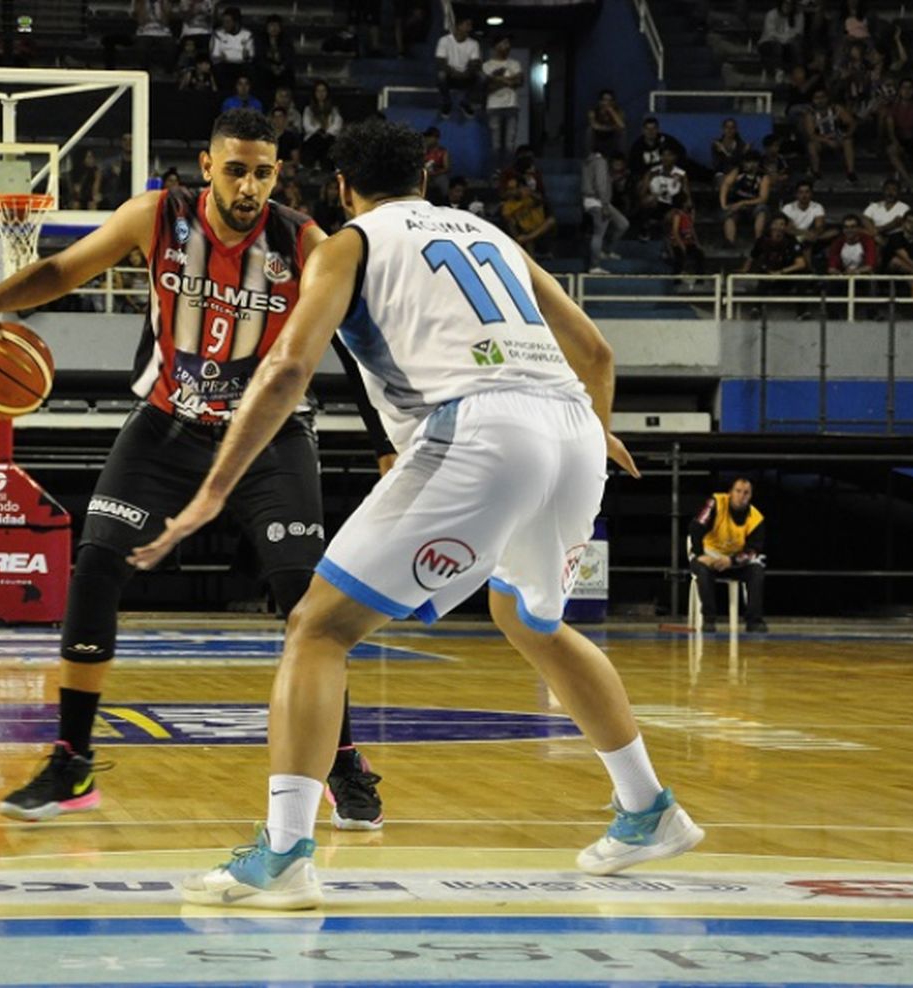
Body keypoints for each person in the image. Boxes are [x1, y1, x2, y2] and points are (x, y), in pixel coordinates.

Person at [127, 117, 703, 909]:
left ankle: (287, 851)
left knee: (316, 628)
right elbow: (597, 352)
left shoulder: (348, 243)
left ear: (342, 190)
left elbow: (291, 363)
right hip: (572, 429)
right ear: (427, 181)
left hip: (480, 428)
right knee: (530, 619)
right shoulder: (489, 233)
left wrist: (215, 490)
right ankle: (647, 806)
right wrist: (593, 430)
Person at [0, 109, 393, 831]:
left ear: (279, 174)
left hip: (268, 437)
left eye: (264, 172)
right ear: (207, 166)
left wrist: (385, 441)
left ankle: (340, 757)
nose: (250, 186)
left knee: (303, 595)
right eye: (236, 169)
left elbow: (354, 341)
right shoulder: (156, 216)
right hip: (165, 425)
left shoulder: (304, 241)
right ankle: (72, 761)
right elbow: (64, 269)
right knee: (94, 565)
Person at [689, 478, 767, 633]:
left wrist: (731, 561)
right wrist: (699, 554)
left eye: (746, 493)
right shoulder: (715, 503)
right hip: (708, 556)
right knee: (702, 571)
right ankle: (709, 620)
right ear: (730, 493)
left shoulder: (756, 519)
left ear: (751, 496)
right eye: (738, 491)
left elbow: (753, 551)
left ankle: (754, 621)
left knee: (757, 571)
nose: (741, 496)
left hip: (735, 561)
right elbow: (696, 526)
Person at [582, 149, 628, 272]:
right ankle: (594, 266)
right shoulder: (600, 162)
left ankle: (607, 250)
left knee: (622, 224)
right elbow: (600, 185)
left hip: (596, 200)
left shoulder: (591, 161)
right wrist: (605, 205)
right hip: (597, 201)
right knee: (599, 233)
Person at [883, 209, 913, 317]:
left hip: (912, 273)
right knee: (896, 261)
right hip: (891, 271)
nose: (912, 225)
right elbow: (904, 257)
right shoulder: (895, 237)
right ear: (903, 223)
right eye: (909, 222)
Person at [801, 87, 857, 183]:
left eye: (822, 97)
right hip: (821, 140)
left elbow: (852, 122)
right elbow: (811, 135)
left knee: (848, 141)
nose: (820, 100)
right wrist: (827, 141)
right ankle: (816, 172)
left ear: (827, 98)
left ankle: (851, 172)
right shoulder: (810, 114)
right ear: (813, 100)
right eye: (817, 98)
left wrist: (847, 134)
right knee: (811, 146)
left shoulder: (836, 109)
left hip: (837, 137)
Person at [482, 35, 523, 165]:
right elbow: (487, 87)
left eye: (508, 44)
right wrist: (508, 81)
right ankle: (496, 173)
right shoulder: (487, 65)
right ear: (496, 46)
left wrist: (497, 78)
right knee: (496, 144)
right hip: (494, 106)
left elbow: (519, 81)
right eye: (504, 43)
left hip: (512, 106)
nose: (507, 46)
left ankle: (508, 173)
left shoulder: (515, 63)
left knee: (510, 144)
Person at [719, 151, 771, 248]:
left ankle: (758, 241)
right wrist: (723, 204)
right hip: (737, 204)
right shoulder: (738, 172)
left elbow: (763, 198)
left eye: (750, 162)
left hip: (754, 206)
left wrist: (743, 203)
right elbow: (725, 185)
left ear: (757, 163)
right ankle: (730, 242)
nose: (747, 165)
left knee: (762, 210)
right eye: (746, 162)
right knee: (729, 214)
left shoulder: (763, 176)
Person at [434, 15, 481, 119]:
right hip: (450, 76)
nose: (470, 28)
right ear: (458, 26)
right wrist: (454, 73)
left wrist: (465, 73)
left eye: (470, 26)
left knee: (481, 77)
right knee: (440, 75)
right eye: (467, 25)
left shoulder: (474, 43)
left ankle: (465, 102)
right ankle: (447, 103)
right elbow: (440, 62)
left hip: (466, 76)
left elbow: (475, 64)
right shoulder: (444, 40)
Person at [499, 172, 555, 256]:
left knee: (551, 221)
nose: (511, 192)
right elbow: (510, 222)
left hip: (542, 231)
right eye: (509, 189)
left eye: (513, 188)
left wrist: (530, 193)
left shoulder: (532, 197)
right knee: (525, 238)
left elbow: (543, 201)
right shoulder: (507, 206)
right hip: (526, 233)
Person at [742, 215, 809, 280]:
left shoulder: (791, 241)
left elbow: (801, 264)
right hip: (767, 274)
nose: (778, 227)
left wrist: (781, 272)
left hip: (786, 276)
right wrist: (745, 269)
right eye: (775, 224)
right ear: (770, 226)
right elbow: (752, 256)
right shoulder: (762, 240)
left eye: (781, 224)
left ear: (785, 227)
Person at [301, 80, 343, 171]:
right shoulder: (308, 109)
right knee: (317, 141)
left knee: (328, 144)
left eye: (323, 91)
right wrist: (319, 131)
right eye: (318, 91)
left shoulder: (334, 109)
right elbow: (306, 125)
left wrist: (327, 132)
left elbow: (337, 124)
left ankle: (327, 169)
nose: (321, 94)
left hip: (329, 137)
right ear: (314, 93)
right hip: (313, 137)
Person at [209, 6, 252, 91]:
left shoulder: (247, 34)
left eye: (228, 22)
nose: (224, 24)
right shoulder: (218, 33)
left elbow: (250, 56)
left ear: (236, 22)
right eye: (223, 22)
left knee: (250, 69)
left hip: (241, 65)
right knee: (218, 69)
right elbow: (214, 56)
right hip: (224, 65)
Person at [758, 0, 805, 78]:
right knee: (777, 47)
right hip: (769, 42)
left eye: (790, 4)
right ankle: (778, 72)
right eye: (786, 3)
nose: (788, 6)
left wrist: (787, 40)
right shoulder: (771, 14)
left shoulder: (798, 15)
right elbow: (771, 34)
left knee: (796, 47)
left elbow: (798, 32)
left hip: (789, 42)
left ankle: (798, 73)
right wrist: (784, 39)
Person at [253, 14, 294, 94]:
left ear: (280, 28)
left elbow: (290, 57)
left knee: (288, 73)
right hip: (266, 70)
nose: (274, 28)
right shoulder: (260, 39)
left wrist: (282, 67)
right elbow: (259, 58)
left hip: (282, 70)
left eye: (276, 26)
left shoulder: (286, 39)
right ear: (267, 27)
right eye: (271, 26)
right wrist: (271, 67)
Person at [667, 195, 704, 277]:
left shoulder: (687, 215)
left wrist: (697, 243)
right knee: (679, 259)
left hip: (689, 243)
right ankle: (676, 280)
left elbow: (691, 229)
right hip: (678, 244)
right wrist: (682, 246)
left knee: (700, 255)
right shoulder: (677, 215)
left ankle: (699, 279)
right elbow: (675, 231)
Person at [586, 89, 626, 161]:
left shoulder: (618, 111)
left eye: (610, 100)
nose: (607, 103)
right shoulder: (593, 111)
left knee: (622, 132)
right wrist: (611, 127)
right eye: (605, 100)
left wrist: (611, 111)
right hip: (598, 137)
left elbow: (622, 126)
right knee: (589, 131)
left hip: (612, 137)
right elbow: (594, 126)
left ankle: (620, 158)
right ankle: (590, 155)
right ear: (600, 101)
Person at [422, 126, 450, 203]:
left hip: (437, 176)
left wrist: (434, 173)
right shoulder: (423, 151)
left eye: (429, 137)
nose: (427, 140)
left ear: (436, 139)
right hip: (425, 176)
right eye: (427, 137)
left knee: (442, 179)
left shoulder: (443, 151)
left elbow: (447, 168)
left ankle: (445, 201)